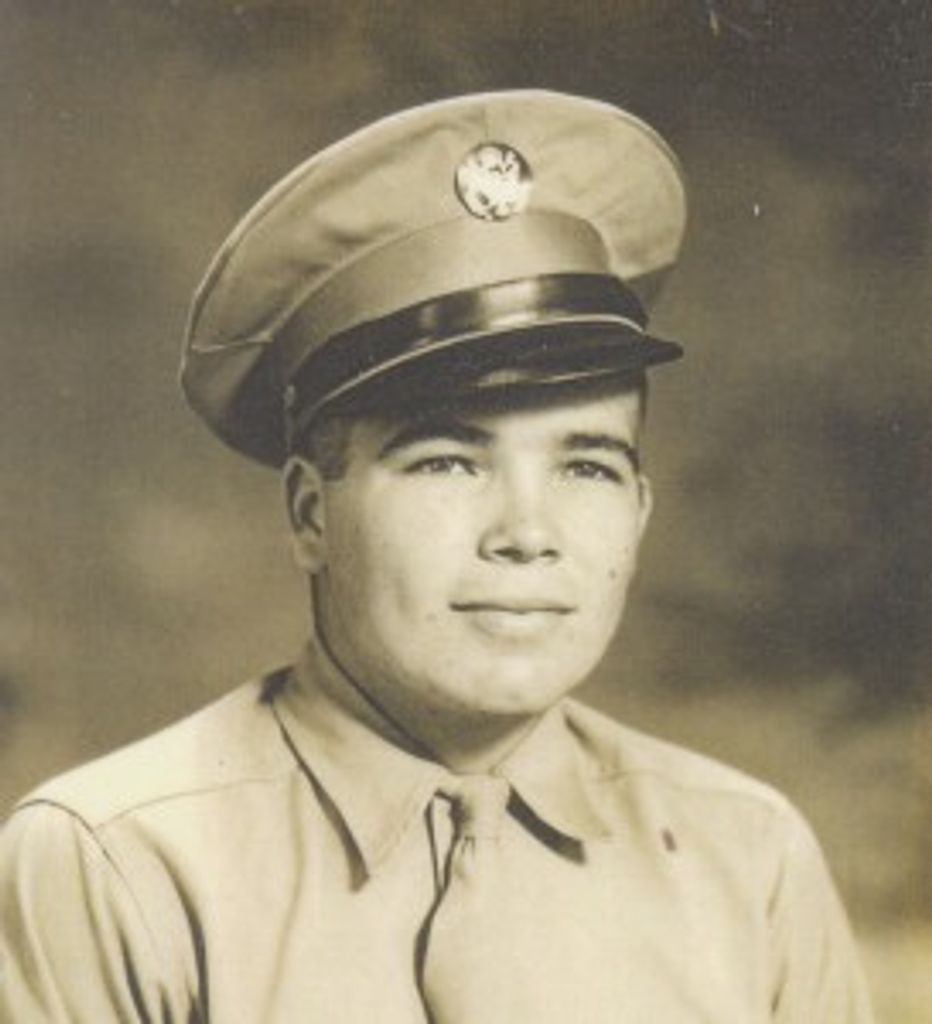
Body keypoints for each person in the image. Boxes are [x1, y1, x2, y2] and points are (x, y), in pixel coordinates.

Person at [0, 91, 873, 1022]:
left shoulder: (750, 859)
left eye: (587, 465)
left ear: (640, 509)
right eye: (447, 461)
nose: (527, 534)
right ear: (310, 512)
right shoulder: (117, 865)